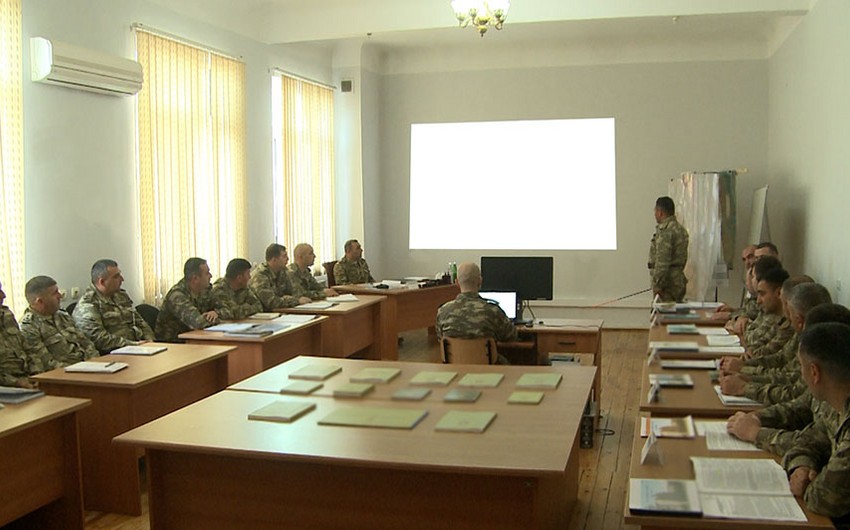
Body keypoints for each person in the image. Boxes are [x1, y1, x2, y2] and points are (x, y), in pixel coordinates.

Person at [726, 303, 850, 457]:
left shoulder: (833, 388)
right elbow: (811, 435)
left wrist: (755, 432)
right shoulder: (833, 390)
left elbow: (791, 388)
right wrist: (756, 418)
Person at [782, 322, 850, 526]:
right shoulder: (836, 404)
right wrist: (802, 466)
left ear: (814, 372)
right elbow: (809, 440)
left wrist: (808, 484)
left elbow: (822, 498)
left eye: (801, 367)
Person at [721, 281, 831, 402]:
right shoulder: (802, 336)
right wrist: (745, 369)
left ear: (799, 320)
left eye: (788, 310)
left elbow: (792, 388)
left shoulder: (817, 350)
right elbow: (780, 359)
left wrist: (745, 384)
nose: (786, 315)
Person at [435, 262, 517, 364]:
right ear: (480, 281)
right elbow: (511, 336)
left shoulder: (443, 311)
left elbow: (441, 339)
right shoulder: (492, 310)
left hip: (454, 369)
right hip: (489, 370)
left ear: (456, 282)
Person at [73, 259, 155, 354]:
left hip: (139, 349)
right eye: (116, 277)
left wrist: (150, 341)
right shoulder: (88, 305)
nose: (122, 279)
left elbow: (139, 322)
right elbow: (100, 339)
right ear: (102, 282)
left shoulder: (120, 296)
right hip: (114, 354)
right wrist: (134, 345)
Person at [20, 275, 98, 369]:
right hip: (64, 375)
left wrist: (95, 362)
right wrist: (80, 368)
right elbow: (46, 364)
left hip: (89, 367)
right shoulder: (29, 327)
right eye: (55, 293)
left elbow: (86, 342)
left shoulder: (62, 315)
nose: (60, 296)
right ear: (40, 301)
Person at [155, 258, 219, 342]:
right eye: (207, 273)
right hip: (173, 344)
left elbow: (227, 309)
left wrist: (216, 313)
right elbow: (198, 323)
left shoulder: (204, 290)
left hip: (194, 339)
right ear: (195, 278)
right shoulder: (177, 295)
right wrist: (215, 319)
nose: (211, 276)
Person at [647, 196, 689, 302]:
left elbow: (662, 261)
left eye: (655, 211)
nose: (654, 214)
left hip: (667, 285)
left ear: (660, 212)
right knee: (676, 316)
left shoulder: (666, 231)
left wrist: (657, 285)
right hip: (677, 281)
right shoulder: (680, 229)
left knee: (664, 316)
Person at [249, 244, 311, 310]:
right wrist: (295, 301)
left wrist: (288, 298)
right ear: (274, 260)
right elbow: (271, 302)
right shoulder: (260, 276)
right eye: (284, 256)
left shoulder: (283, 271)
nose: (288, 259)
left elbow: (296, 293)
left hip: (281, 311)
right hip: (265, 315)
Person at [0, 280, 37, 388]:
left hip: (28, 378)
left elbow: (28, 348)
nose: (4, 295)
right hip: (7, 387)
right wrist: (19, 383)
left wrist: (38, 374)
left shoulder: (6, 315)